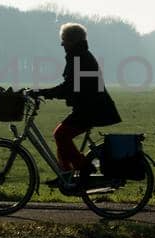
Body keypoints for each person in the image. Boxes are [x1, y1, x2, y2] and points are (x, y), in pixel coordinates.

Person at [33, 22, 121, 192]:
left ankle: (83, 167)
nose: (62, 44)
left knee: (60, 134)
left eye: (64, 40)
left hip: (91, 109)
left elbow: (69, 87)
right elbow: (72, 86)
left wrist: (42, 92)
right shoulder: (79, 55)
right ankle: (66, 175)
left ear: (72, 41)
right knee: (59, 134)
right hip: (89, 107)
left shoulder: (79, 58)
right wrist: (44, 92)